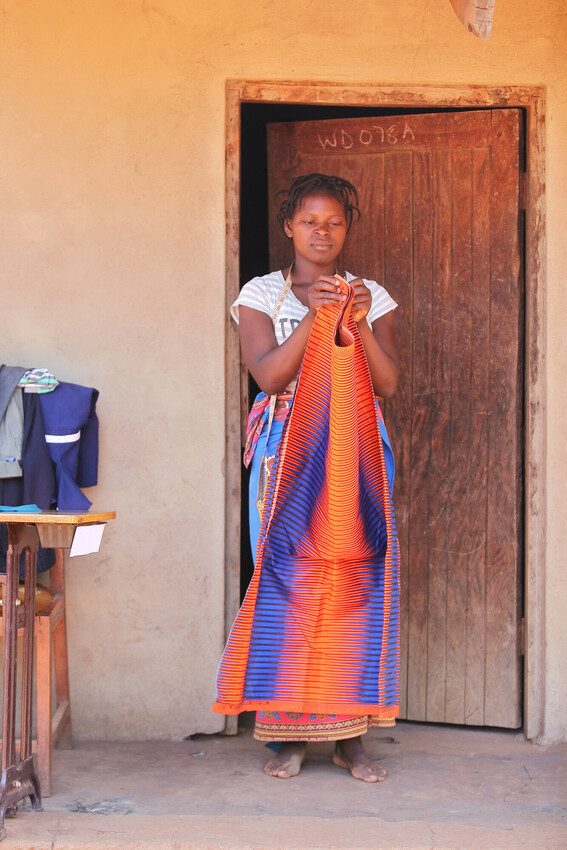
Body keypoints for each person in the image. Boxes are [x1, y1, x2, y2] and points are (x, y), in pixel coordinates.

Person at [213, 173, 400, 783]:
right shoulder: (261, 294)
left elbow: (389, 382)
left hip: (356, 450)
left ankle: (351, 739)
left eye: (335, 222)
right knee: (288, 584)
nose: (322, 232)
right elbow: (268, 375)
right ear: (289, 226)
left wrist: (359, 321)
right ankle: (286, 738)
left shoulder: (370, 293)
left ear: (347, 229)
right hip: (286, 449)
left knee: (356, 581)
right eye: (310, 221)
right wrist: (316, 317)